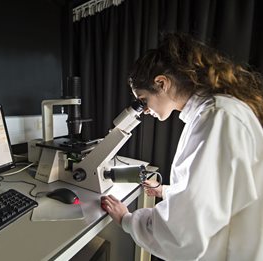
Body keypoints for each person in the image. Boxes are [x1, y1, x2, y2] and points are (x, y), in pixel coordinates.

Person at [100, 32, 263, 260]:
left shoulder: (216, 118)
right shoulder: (216, 112)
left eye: (143, 100)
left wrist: (127, 219)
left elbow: (181, 234)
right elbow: (218, 195)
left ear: (162, 83)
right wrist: (165, 191)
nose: (145, 110)